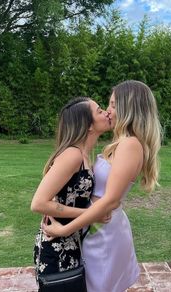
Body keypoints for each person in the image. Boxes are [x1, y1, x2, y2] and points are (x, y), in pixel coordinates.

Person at [43, 80, 162, 292]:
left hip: (104, 230)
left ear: (129, 107)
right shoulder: (121, 142)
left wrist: (64, 229)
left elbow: (110, 200)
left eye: (114, 105)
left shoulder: (130, 144)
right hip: (97, 226)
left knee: (99, 286)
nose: (108, 111)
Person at [31, 97, 111, 278]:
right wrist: (91, 214)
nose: (106, 112)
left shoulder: (84, 156)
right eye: (99, 111)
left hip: (71, 242)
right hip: (56, 247)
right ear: (88, 125)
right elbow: (38, 203)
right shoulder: (72, 155)